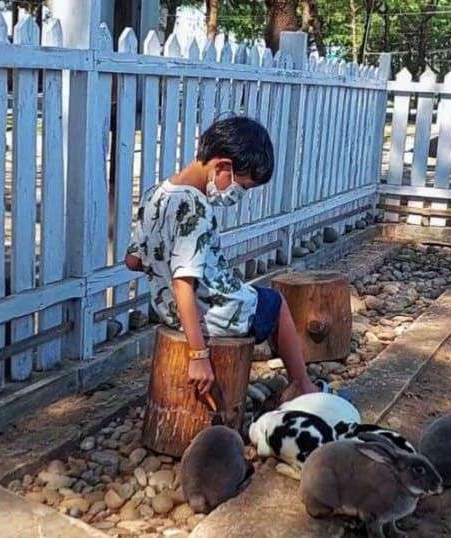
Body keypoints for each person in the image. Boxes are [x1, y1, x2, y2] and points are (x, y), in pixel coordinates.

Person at [125, 116, 318, 401]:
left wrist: (162, 260)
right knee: (275, 304)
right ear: (222, 167)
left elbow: (133, 260)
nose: (237, 195)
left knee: (254, 295)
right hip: (211, 314)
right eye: (243, 186)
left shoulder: (155, 195)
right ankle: (301, 383)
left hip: (168, 310)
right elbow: (183, 284)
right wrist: (199, 355)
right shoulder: (196, 209)